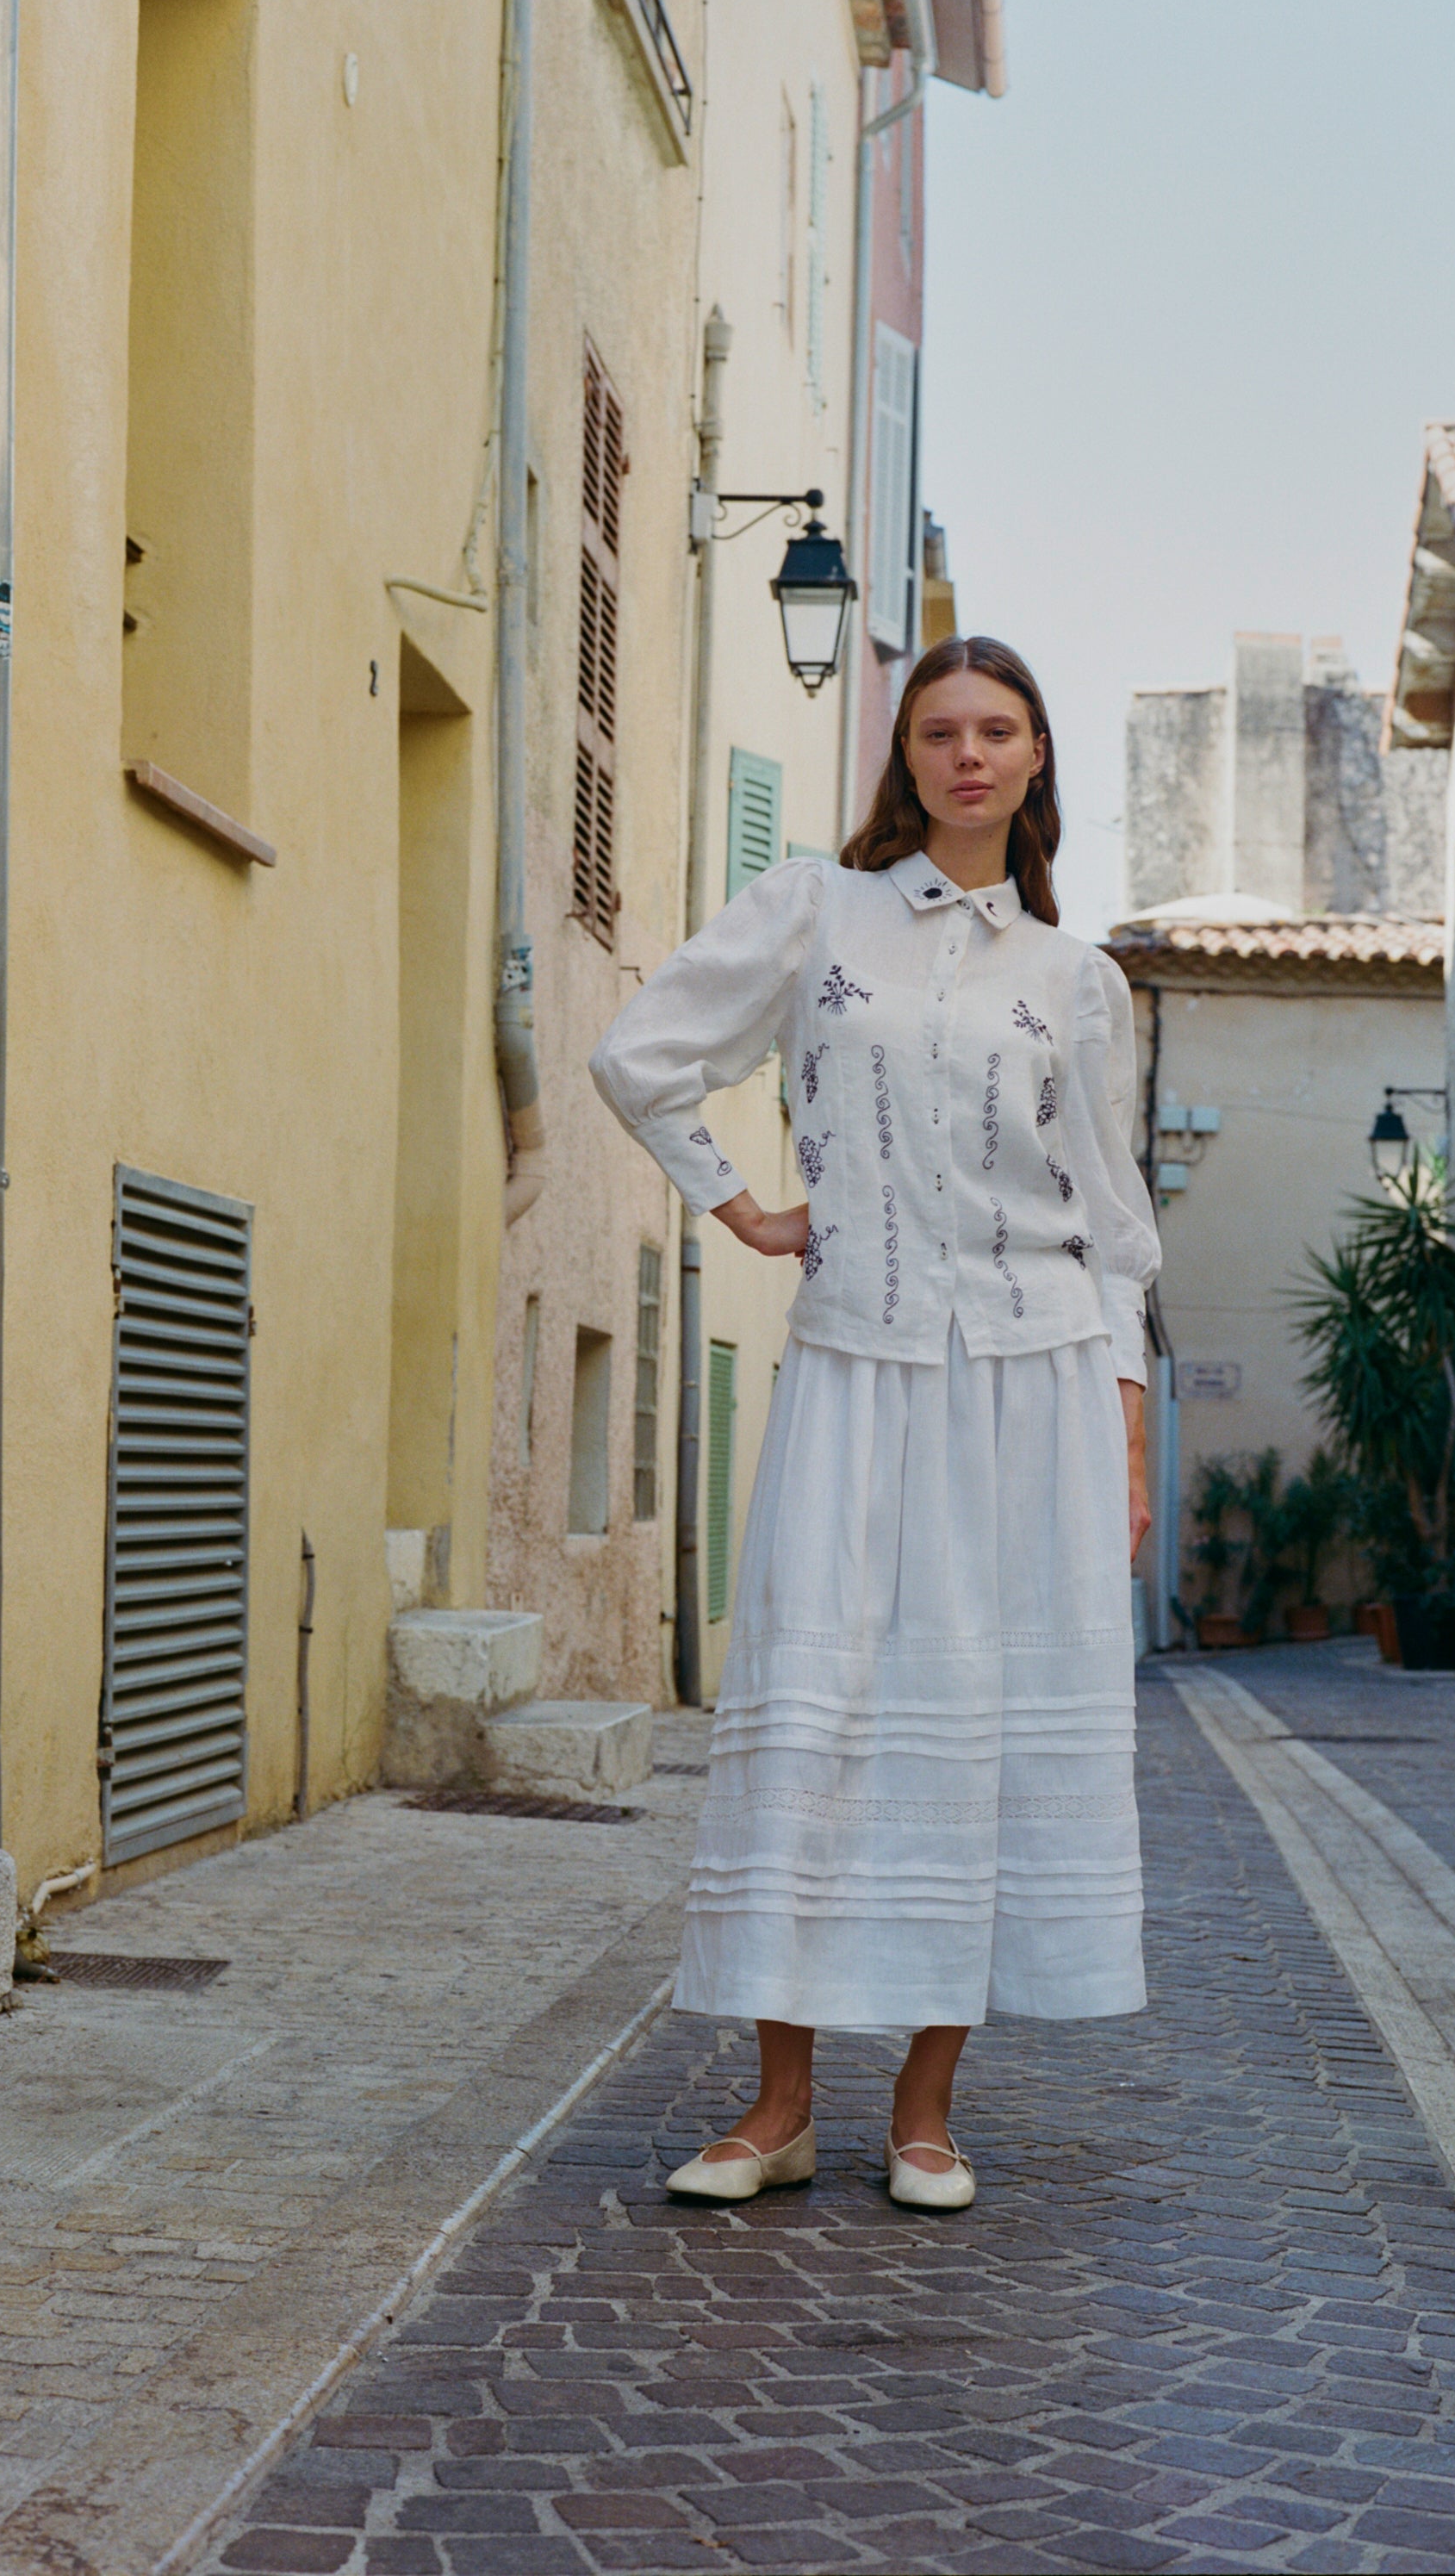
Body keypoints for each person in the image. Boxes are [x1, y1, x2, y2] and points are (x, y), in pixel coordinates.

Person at [589, 634, 1160, 2212]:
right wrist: (743, 1206)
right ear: (902, 760)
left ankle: (925, 2113)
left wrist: (1123, 1425)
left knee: (974, 1739)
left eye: (997, 731)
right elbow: (639, 1055)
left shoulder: (1077, 981)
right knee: (819, 1715)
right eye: (938, 733)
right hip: (856, 1369)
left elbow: (1112, 1228)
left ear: (1039, 757)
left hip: (1036, 1389)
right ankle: (779, 2111)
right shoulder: (814, 913)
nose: (967, 755)